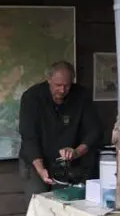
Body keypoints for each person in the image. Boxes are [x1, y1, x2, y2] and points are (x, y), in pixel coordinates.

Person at [18, 61, 102, 200]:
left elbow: (93, 131)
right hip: (35, 161)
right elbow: (29, 137)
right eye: (58, 85)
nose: (62, 90)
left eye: (67, 86)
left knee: (65, 204)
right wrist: (40, 168)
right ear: (49, 80)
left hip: (69, 164)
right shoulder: (31, 98)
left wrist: (76, 152)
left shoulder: (81, 96)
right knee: (39, 204)